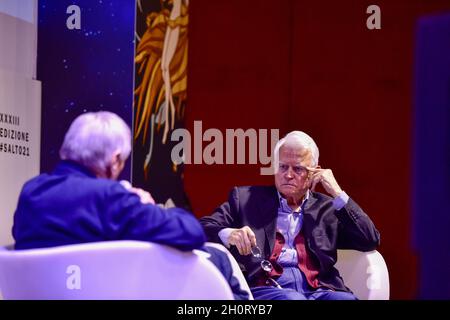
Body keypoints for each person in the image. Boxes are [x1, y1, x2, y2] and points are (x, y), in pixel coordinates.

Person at [12, 111, 249, 300]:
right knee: (218, 259)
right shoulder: (111, 196)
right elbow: (192, 233)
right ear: (115, 160)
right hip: (106, 292)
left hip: (43, 294)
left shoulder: (31, 191)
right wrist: (147, 204)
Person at [200, 131, 380, 300]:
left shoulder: (327, 207)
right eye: (283, 167)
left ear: (314, 172)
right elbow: (204, 227)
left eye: (298, 169)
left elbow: (369, 239)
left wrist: (337, 193)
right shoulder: (246, 199)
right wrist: (229, 233)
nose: (288, 175)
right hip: (267, 288)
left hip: (320, 290)